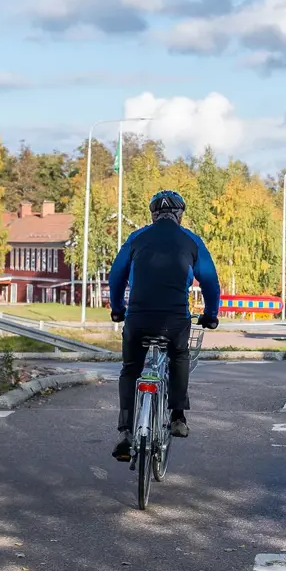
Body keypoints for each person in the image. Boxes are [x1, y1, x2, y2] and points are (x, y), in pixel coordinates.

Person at [108, 190, 221, 462]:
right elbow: (210, 282)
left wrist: (117, 310)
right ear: (180, 215)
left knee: (130, 369)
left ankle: (125, 431)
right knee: (179, 355)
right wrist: (211, 314)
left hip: (138, 318)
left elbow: (115, 277)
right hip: (174, 320)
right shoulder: (192, 241)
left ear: (152, 214)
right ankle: (178, 416)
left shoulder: (136, 238)